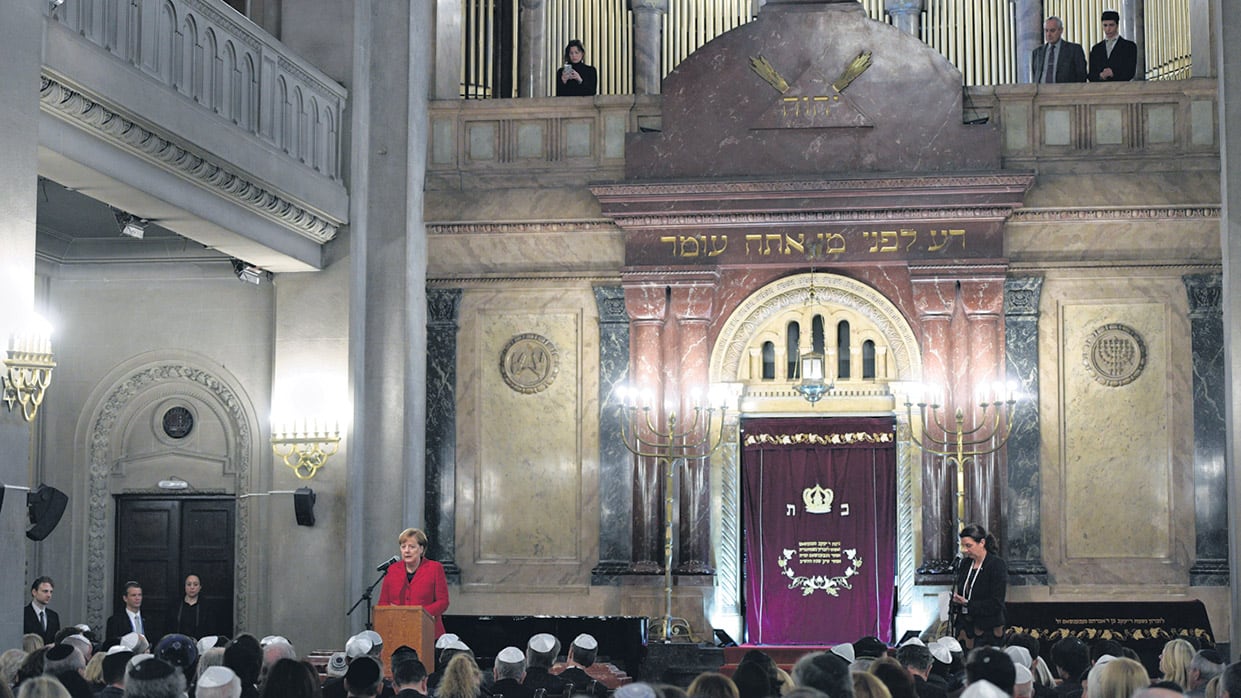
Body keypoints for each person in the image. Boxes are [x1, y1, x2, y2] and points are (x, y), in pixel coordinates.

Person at [377, 528, 450, 638]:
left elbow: (443, 602)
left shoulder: (434, 568)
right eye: (403, 547)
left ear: (421, 549)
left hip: (427, 631)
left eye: (411, 547)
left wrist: (419, 614)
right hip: (396, 631)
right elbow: (383, 603)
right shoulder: (392, 570)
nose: (407, 551)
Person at [950, 523, 1007, 649]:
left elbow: (997, 602)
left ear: (982, 542)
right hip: (965, 627)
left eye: (969, 546)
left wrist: (967, 603)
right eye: (963, 546)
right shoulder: (965, 564)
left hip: (987, 628)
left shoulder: (996, 565)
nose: (965, 550)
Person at [1031, 17, 1087, 83]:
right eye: (1046, 31)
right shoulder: (1037, 53)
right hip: (1042, 91)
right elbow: (1035, 76)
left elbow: (1081, 76)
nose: (1049, 34)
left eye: (1052, 31)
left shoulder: (1074, 50)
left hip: (1066, 91)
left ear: (1061, 30)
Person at [1087, 11, 1137, 82]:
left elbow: (1130, 72)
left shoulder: (1129, 47)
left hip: (1122, 88)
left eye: (1111, 25)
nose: (1108, 29)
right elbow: (1091, 74)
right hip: (1100, 89)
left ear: (1117, 25)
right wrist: (1100, 75)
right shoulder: (1096, 49)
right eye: (1105, 25)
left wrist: (1114, 73)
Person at [171, 575, 215, 639]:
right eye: (189, 584)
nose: (192, 587)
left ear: (200, 587)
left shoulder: (207, 606)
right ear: (185, 586)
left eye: (195, 584)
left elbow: (211, 631)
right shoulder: (175, 605)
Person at [25, 577, 61, 645]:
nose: (49, 595)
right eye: (45, 591)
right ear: (34, 592)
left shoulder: (54, 616)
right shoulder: (24, 614)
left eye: (51, 592)